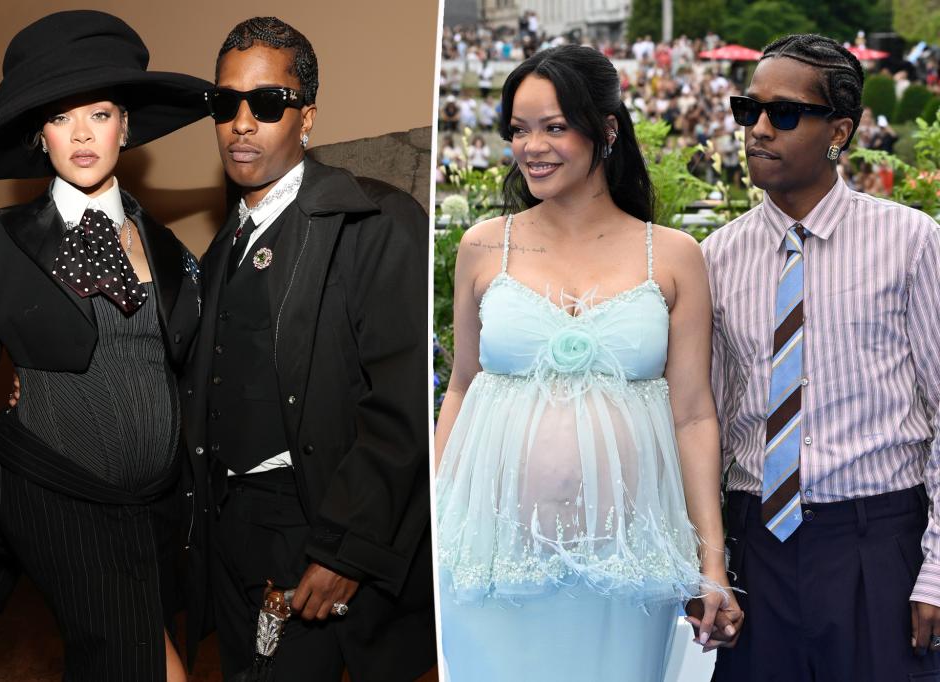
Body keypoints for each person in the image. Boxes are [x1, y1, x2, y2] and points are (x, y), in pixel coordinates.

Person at [0, 10, 208, 681]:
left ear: (126, 126)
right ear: (37, 137)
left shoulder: (170, 246)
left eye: (100, 113)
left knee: (132, 653)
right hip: (57, 496)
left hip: (155, 504)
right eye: (59, 117)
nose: (81, 133)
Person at [434, 44, 742, 681]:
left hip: (629, 561)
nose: (532, 146)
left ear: (605, 130)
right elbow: (461, 387)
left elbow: (692, 415)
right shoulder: (483, 245)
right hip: (486, 556)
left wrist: (711, 561)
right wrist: (429, 521)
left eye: (554, 126)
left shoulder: (676, 255)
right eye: (519, 129)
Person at [181, 17, 435, 681]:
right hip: (232, 534)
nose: (241, 122)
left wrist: (346, 549)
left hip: (317, 526)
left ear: (307, 118)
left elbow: (402, 405)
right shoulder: (213, 257)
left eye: (267, 103)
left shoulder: (375, 223)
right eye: (224, 102)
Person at [703, 34, 940, 682]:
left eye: (783, 115)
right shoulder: (716, 257)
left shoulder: (910, 243)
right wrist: (707, 559)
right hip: (758, 549)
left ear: (839, 130)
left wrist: (937, 570)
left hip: (876, 544)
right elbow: (707, 420)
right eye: (746, 110)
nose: (757, 130)